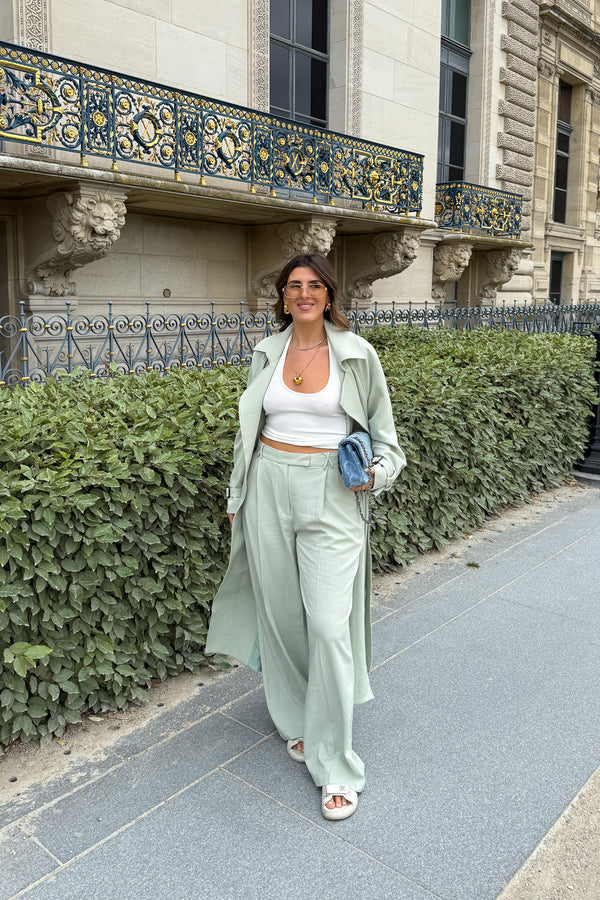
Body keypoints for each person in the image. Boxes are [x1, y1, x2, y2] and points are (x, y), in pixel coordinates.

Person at [205, 252, 405, 820]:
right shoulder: (267, 352)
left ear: (330, 294)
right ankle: (298, 721)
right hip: (268, 483)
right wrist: (237, 497)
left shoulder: (358, 355)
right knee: (283, 617)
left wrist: (375, 474)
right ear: (283, 296)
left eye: (315, 284)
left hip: (333, 492)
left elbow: (388, 442)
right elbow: (250, 432)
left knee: (327, 625)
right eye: (294, 285)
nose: (304, 293)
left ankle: (336, 764)